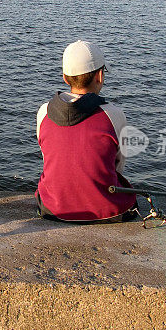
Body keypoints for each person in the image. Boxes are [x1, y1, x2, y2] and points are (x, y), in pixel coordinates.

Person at [35, 40, 136, 223]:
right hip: (106, 211)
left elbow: (49, 158)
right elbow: (118, 165)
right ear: (100, 76)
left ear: (65, 78)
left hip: (53, 209)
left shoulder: (44, 112)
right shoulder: (114, 114)